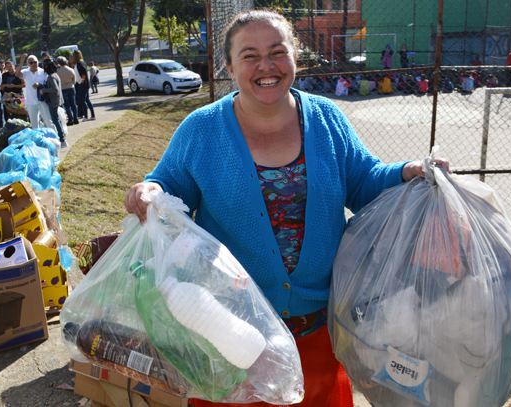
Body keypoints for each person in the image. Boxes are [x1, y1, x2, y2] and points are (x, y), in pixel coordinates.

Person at [124, 10, 448, 407]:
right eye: (250, 56)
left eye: (277, 52)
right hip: (231, 337)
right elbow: (170, 185)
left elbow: (364, 180)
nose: (266, 66)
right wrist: (149, 189)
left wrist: (407, 171)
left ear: (295, 57)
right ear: (229, 66)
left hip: (317, 334)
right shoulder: (202, 129)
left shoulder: (326, 119)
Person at [16, 54, 54, 129]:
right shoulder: (25, 72)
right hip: (31, 102)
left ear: (38, 62)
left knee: (49, 122)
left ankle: (57, 139)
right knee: (34, 124)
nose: (33, 64)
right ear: (28, 64)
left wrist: (39, 85)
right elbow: (17, 74)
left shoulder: (43, 72)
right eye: (31, 63)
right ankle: (38, 139)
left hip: (43, 101)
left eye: (35, 62)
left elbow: (49, 85)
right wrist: (21, 62)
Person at [37, 60, 66, 147]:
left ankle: (62, 139)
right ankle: (62, 136)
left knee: (55, 120)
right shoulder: (55, 75)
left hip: (53, 101)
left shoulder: (51, 77)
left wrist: (43, 90)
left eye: (44, 66)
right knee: (57, 119)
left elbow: (55, 89)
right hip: (57, 100)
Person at [71, 50, 95, 121]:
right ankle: (92, 115)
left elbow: (84, 73)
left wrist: (82, 81)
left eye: (73, 55)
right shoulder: (79, 62)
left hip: (83, 84)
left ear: (75, 56)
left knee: (83, 100)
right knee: (86, 100)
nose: (72, 56)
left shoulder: (80, 63)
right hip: (82, 84)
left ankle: (86, 116)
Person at [57, 56, 79, 126]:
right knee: (73, 104)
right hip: (71, 87)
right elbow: (74, 81)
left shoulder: (57, 71)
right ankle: (76, 118)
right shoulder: (71, 70)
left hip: (63, 89)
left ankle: (70, 119)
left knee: (67, 105)